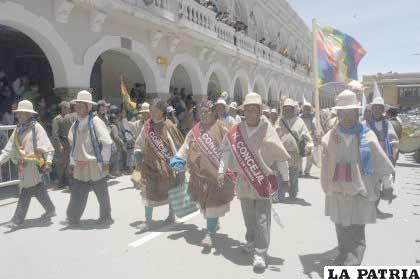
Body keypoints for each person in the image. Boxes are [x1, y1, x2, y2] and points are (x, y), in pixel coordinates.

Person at [321, 90, 395, 265]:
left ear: (357, 113)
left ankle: (353, 261)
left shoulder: (367, 136)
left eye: (351, 113)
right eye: (343, 113)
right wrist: (316, 146)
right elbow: (322, 160)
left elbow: (380, 161)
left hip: (360, 191)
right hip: (338, 189)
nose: (347, 117)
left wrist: (388, 185)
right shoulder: (331, 135)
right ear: (338, 114)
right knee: (340, 225)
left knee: (356, 227)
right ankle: (343, 253)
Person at [219, 92, 290, 270]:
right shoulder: (236, 130)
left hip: (262, 181)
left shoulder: (268, 129)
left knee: (262, 219)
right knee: (248, 217)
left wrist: (286, 178)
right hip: (243, 182)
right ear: (244, 111)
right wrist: (222, 170)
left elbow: (280, 156)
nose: (251, 113)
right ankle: (251, 241)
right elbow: (226, 151)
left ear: (260, 111)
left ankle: (260, 252)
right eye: (248, 109)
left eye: (254, 110)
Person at [170, 101, 235, 248]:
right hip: (198, 176)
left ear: (213, 112)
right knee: (204, 204)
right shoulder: (195, 130)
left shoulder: (222, 127)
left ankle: (210, 234)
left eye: (206, 111)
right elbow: (185, 146)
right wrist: (178, 158)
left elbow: (232, 147)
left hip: (216, 174)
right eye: (201, 111)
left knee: (212, 204)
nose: (203, 114)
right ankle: (213, 223)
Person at [0, 100, 56, 229]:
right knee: (37, 188)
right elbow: (8, 149)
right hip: (22, 166)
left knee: (26, 190)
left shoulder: (36, 127)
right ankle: (51, 209)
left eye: (22, 113)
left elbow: (48, 147)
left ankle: (17, 220)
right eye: (18, 113)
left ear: (29, 114)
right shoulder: (18, 129)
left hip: (33, 165)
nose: (19, 116)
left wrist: (48, 161)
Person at [63, 91, 114, 227]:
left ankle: (106, 217)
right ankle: (72, 218)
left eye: (81, 105)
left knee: (101, 192)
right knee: (78, 192)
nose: (78, 108)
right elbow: (73, 146)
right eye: (77, 105)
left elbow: (107, 143)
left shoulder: (96, 122)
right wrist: (72, 162)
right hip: (80, 164)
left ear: (88, 107)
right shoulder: (75, 125)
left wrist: (104, 162)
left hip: (94, 163)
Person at [134, 99, 184, 232]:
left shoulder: (169, 126)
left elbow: (176, 148)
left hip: (166, 167)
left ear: (162, 111)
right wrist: (138, 153)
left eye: (155, 110)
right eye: (151, 110)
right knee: (147, 192)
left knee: (170, 191)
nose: (152, 112)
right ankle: (148, 221)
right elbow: (139, 142)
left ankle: (171, 215)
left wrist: (178, 167)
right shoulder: (147, 126)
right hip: (149, 165)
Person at [274, 98, 313, 200]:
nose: (287, 110)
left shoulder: (299, 121)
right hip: (281, 152)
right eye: (285, 108)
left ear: (293, 109)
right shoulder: (280, 121)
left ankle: (293, 193)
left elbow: (306, 135)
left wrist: (309, 145)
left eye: (289, 108)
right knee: (280, 174)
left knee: (293, 174)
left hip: (294, 153)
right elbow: (273, 134)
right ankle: (280, 194)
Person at [367, 96, 399, 217]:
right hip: (371, 158)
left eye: (379, 108)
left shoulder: (388, 124)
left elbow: (393, 138)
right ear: (372, 109)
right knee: (372, 184)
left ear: (382, 110)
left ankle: (375, 207)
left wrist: (394, 145)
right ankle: (371, 208)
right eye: (375, 108)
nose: (377, 110)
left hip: (385, 157)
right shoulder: (366, 123)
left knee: (384, 182)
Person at [51, 101, 71, 187]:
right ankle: (60, 180)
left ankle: (66, 179)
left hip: (67, 142)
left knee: (67, 162)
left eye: (69, 108)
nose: (68, 110)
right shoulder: (57, 119)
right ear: (62, 108)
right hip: (61, 141)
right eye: (66, 108)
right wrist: (59, 145)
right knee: (61, 162)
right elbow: (55, 134)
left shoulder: (68, 117)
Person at [300, 102, 316, 177]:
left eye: (308, 108)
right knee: (299, 155)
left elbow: (316, 129)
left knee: (310, 156)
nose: (306, 110)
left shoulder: (313, 118)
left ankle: (307, 171)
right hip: (300, 138)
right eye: (305, 108)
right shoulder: (299, 117)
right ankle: (299, 170)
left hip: (310, 139)